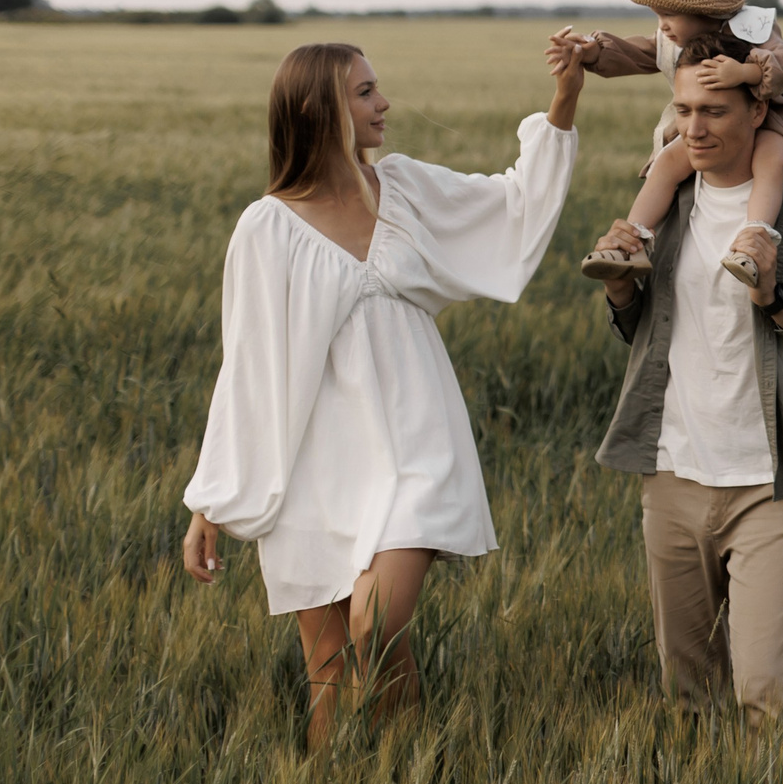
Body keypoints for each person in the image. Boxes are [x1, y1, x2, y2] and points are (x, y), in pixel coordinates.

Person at [181, 38, 584, 747]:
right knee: (330, 669)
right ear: (319, 109)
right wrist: (209, 501)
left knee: (374, 623)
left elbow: (511, 205)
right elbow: (244, 365)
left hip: (416, 447)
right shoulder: (265, 227)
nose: (384, 102)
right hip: (313, 463)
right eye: (365, 91)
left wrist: (564, 100)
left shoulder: (403, 188)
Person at [586, 33, 783, 724]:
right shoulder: (670, 200)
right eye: (684, 108)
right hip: (672, 478)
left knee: (765, 695)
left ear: (760, 108)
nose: (693, 128)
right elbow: (649, 334)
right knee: (685, 697)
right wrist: (622, 294)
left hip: (770, 484)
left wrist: (781, 307)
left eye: (715, 110)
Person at [566, 0, 783, 291]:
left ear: (702, 11)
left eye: (668, 16)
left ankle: (753, 241)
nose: (661, 27)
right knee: (666, 162)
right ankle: (633, 244)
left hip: (773, 119)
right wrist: (594, 50)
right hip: (714, 126)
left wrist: (745, 74)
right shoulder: (672, 40)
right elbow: (639, 51)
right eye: (657, 16)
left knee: (771, 161)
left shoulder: (752, 26)